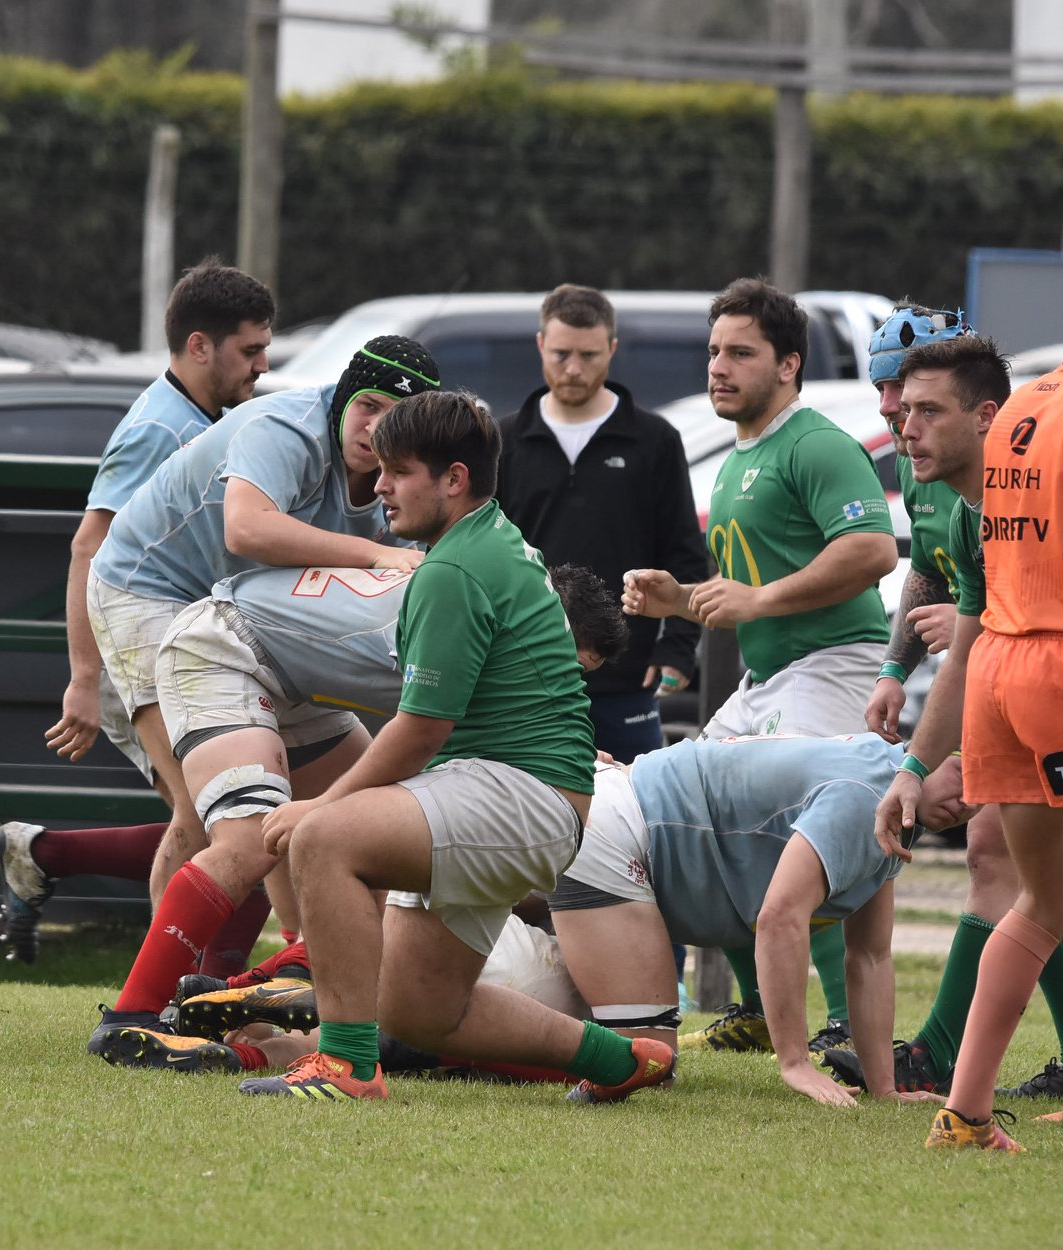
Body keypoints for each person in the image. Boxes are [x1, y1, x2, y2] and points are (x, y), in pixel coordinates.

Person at [240, 390, 673, 1103]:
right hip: (529, 796)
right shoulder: (489, 539)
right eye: (380, 468)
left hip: (516, 794)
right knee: (422, 1012)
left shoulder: (452, 569)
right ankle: (623, 1060)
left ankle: (345, 1068)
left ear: (455, 479)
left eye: (398, 470)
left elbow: (420, 731)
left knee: (323, 839)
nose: (379, 486)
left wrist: (322, 805)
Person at [190, 733, 970, 1110]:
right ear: (934, 744)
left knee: (507, 1009)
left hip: (626, 848)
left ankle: (302, 1017)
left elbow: (869, 962)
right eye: (972, 763)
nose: (978, 792)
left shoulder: (892, 820)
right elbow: (777, 920)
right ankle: (314, 991)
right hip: (614, 834)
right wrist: (795, 1062)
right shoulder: (869, 785)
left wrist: (881, 1085)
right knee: (642, 1059)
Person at [88, 559, 628, 1073]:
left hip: (296, 674)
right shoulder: (478, 619)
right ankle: (131, 1015)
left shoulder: (490, 597)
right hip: (224, 647)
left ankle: (277, 981)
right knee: (260, 838)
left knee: (368, 854)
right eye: (567, 664)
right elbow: (427, 736)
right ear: (548, 625)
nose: (567, 685)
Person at [79, 334, 438, 945]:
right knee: (211, 813)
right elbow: (246, 529)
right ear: (345, 396)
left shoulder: (403, 477)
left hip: (249, 614)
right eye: (368, 406)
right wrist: (379, 555)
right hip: (150, 591)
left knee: (354, 812)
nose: (376, 429)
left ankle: (308, 981)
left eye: (394, 418)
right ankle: (164, 1003)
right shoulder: (287, 426)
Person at [623, 277, 898, 1055]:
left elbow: (872, 551)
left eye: (740, 353)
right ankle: (753, 1004)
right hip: (770, 678)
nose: (719, 367)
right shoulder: (740, 455)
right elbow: (744, 592)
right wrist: (678, 599)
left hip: (831, 669)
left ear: (788, 365)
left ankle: (845, 1026)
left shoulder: (814, 444)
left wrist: (763, 600)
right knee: (698, 819)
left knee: (809, 848)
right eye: (714, 351)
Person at [0, 258, 275, 967]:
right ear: (200, 346)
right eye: (251, 351)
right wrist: (85, 679)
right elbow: (91, 546)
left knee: (230, 816)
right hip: (142, 646)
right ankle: (179, 996)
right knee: (221, 820)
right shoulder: (159, 430)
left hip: (181, 644)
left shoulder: (204, 418)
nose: (263, 367)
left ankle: (47, 858)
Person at [819, 309, 1021, 1098]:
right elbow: (948, 594)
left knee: (1016, 874)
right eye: (889, 396)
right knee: (1012, 872)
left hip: (1027, 692)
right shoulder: (956, 493)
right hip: (1015, 691)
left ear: (982, 413)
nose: (895, 416)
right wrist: (898, 670)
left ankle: (948, 1070)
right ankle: (952, 1075)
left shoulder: (1023, 488)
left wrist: (951, 759)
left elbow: (992, 628)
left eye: (915, 400)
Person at [869, 337, 1063, 1152]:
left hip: (1003, 670)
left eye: (924, 410)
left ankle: (967, 1112)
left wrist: (915, 765)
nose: (906, 427)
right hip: (1053, 663)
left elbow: (979, 616)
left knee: (1039, 901)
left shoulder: (1026, 410)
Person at [497, 283, 707, 762]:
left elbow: (683, 551)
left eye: (589, 355)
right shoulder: (502, 440)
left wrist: (677, 647)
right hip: (525, 677)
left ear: (611, 349)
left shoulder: (654, 439)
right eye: (561, 353)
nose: (573, 368)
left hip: (626, 679)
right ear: (539, 346)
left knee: (635, 819)